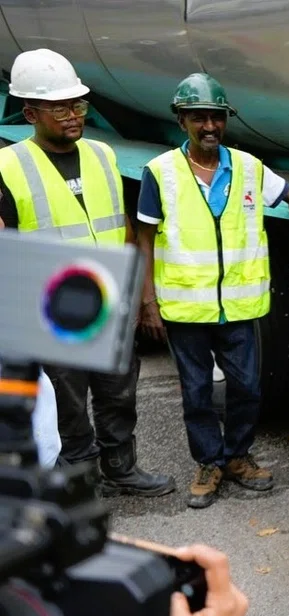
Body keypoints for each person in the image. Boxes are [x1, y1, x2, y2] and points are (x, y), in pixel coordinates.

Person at [137, 72, 289, 509]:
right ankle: (209, 462)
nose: (209, 126)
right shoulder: (160, 173)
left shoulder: (245, 166)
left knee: (246, 388)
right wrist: (147, 301)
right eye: (199, 117)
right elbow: (144, 240)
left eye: (217, 117)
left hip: (239, 308)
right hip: (186, 310)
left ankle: (238, 456)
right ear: (181, 119)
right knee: (198, 391)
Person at [0, 48, 174, 496]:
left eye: (77, 105)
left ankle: (122, 468)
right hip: (51, 310)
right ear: (30, 112)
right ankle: (81, 479)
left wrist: (140, 296)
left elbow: (126, 226)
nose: (73, 116)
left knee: (119, 393)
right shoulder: (7, 165)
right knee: (68, 402)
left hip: (109, 300)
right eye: (60, 109)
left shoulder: (102, 154)